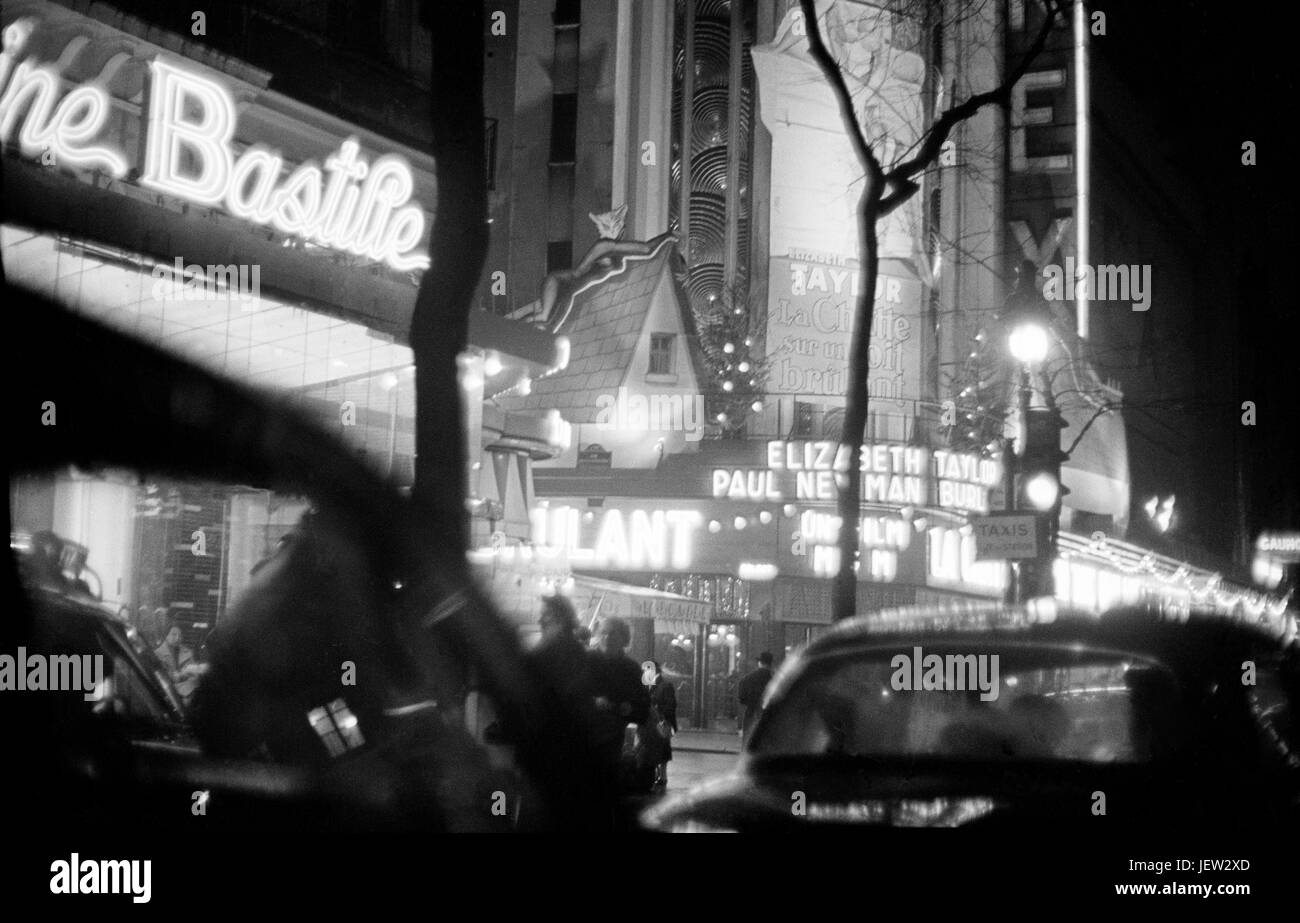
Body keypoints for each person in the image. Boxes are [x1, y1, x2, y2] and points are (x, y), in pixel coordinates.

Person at [587, 617, 650, 790]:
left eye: (613, 634)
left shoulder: (631, 668)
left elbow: (642, 703)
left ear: (623, 639)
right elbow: (570, 694)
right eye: (604, 633)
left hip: (613, 737)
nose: (607, 638)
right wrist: (593, 701)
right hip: (584, 733)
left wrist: (630, 708)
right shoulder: (586, 660)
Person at [154, 619, 206, 705]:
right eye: (174, 634)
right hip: (168, 694)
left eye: (180, 635)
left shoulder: (188, 652)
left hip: (188, 693)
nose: (178, 638)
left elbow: (194, 677)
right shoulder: (157, 654)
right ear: (166, 635)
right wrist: (183, 675)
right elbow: (164, 679)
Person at [648, 661, 678, 789]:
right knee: (654, 748)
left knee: (663, 748)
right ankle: (656, 775)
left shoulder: (665, 686)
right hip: (651, 722)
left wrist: (662, 716)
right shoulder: (648, 685)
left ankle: (663, 776)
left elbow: (671, 705)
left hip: (663, 722)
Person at [737, 652, 774, 745]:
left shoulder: (748, 678)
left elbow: (742, 697)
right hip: (769, 716)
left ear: (760, 663)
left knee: (748, 743)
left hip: (752, 713)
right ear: (770, 664)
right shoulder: (775, 679)